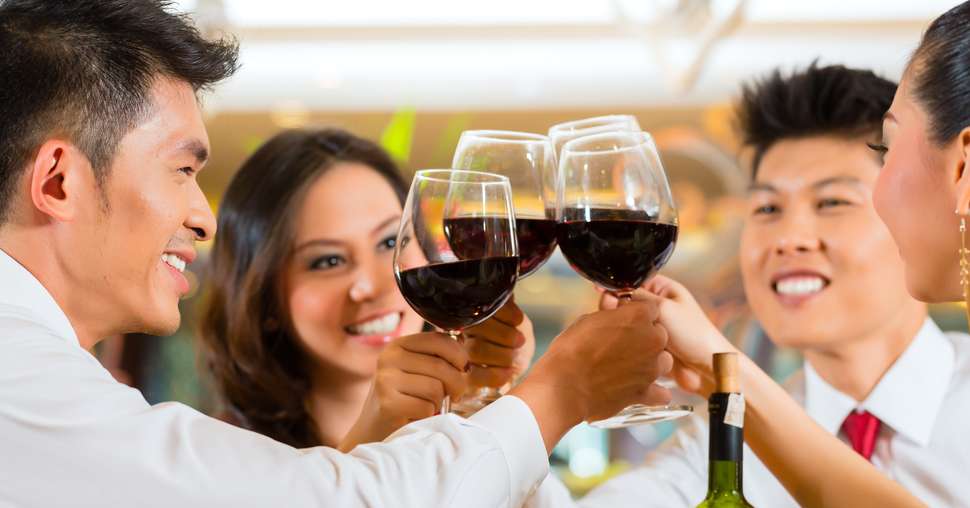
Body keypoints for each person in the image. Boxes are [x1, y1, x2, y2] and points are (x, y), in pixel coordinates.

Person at [0, 2, 674, 506]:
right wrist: (561, 392)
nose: (201, 217)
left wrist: (474, 410)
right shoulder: (24, 379)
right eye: (182, 171)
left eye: (388, 242)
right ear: (59, 180)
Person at [527, 63, 970, 508]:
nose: (787, 239)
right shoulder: (715, 445)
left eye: (832, 201)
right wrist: (477, 414)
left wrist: (727, 372)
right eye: (767, 208)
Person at [198, 128, 535, 451]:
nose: (371, 287)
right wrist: (372, 434)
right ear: (262, 297)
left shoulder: (460, 434)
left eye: (390, 241)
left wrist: (486, 407)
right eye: (328, 261)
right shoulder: (222, 460)